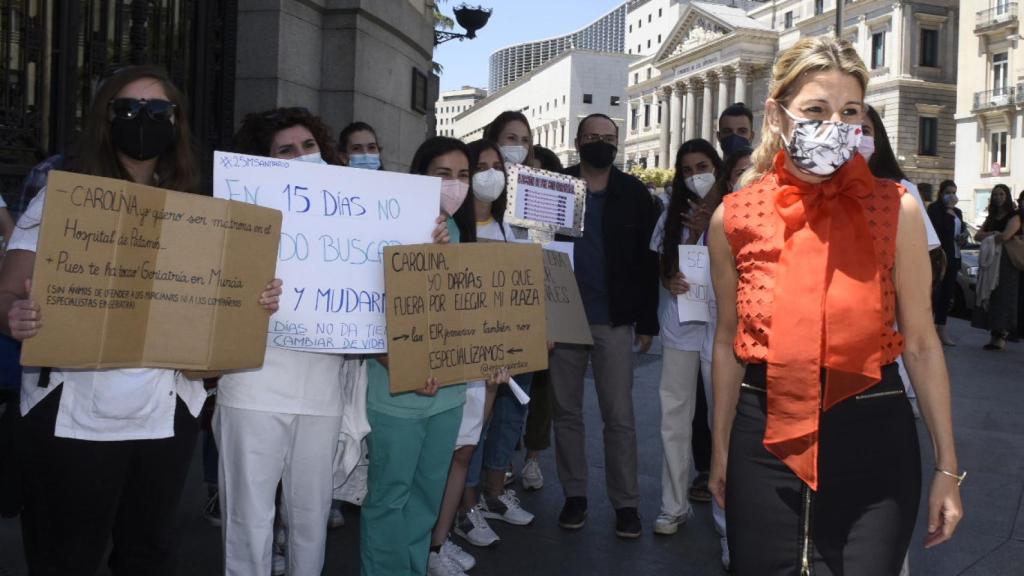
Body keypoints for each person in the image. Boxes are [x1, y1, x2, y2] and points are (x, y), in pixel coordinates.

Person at [0, 64, 282, 576]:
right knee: (66, 556)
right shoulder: (63, 197)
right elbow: (7, 292)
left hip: (165, 413)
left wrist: (252, 299)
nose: (143, 119)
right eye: (128, 108)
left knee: (148, 553)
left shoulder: (198, 208)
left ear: (176, 122)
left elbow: (220, 301)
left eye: (158, 110)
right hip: (71, 412)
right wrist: (14, 315)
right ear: (105, 119)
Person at [708, 37, 963, 575]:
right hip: (764, 438)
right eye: (816, 110)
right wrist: (721, 448)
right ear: (776, 116)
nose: (835, 125)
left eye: (850, 112)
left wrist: (948, 466)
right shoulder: (733, 217)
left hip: (876, 438)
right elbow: (728, 341)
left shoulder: (897, 209)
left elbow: (921, 342)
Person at [360, 136, 472, 576]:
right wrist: (401, 367)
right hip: (398, 394)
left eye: (463, 175)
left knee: (427, 494)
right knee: (389, 497)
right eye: (443, 174)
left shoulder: (457, 232)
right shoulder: (382, 224)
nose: (455, 184)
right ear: (419, 176)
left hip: (448, 393)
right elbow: (363, 311)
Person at [550, 113, 659, 538]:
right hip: (562, 317)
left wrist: (646, 320)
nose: (601, 142)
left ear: (618, 142)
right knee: (566, 413)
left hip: (614, 319)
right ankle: (574, 496)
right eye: (592, 136)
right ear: (577, 141)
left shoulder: (634, 193)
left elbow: (648, 262)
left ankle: (626, 503)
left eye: (608, 137)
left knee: (620, 416)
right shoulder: (555, 186)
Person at [650, 139, 722, 537]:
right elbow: (660, 268)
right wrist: (671, 275)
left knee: (721, 420)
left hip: (721, 328)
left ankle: (729, 520)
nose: (696, 176)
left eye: (703, 166)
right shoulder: (671, 215)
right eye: (688, 170)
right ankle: (673, 506)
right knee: (674, 417)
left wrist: (710, 227)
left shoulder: (734, 209)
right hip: (681, 324)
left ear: (717, 168)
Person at [519, 145, 563, 492]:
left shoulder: (563, 219)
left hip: (549, 309)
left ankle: (532, 458)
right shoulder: (505, 211)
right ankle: (499, 464)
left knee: (542, 392)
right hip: (509, 310)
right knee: (507, 394)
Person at [973, 184, 1021, 350]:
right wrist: (993, 234)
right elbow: (977, 236)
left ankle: (1002, 335)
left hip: (1006, 262)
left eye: (1001, 194)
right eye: (995, 194)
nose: (998, 197)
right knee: (991, 297)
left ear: (1007, 196)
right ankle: (994, 334)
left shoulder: (1014, 216)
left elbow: (1006, 236)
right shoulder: (992, 216)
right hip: (991, 262)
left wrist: (990, 236)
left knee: (1004, 297)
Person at [927, 180, 966, 346]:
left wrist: (963, 237)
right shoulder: (935, 209)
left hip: (954, 256)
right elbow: (939, 229)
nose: (951, 196)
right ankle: (929, 328)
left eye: (954, 192)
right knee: (935, 293)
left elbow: (960, 231)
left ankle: (941, 328)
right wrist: (948, 211)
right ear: (941, 193)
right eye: (948, 192)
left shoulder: (958, 212)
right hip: (939, 258)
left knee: (947, 294)